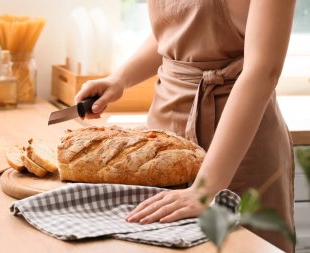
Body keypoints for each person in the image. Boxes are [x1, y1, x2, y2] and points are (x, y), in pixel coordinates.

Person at [75, 0, 296, 252]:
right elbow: (175, 30)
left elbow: (262, 71)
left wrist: (206, 188)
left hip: (237, 148)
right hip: (163, 140)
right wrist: (120, 78)